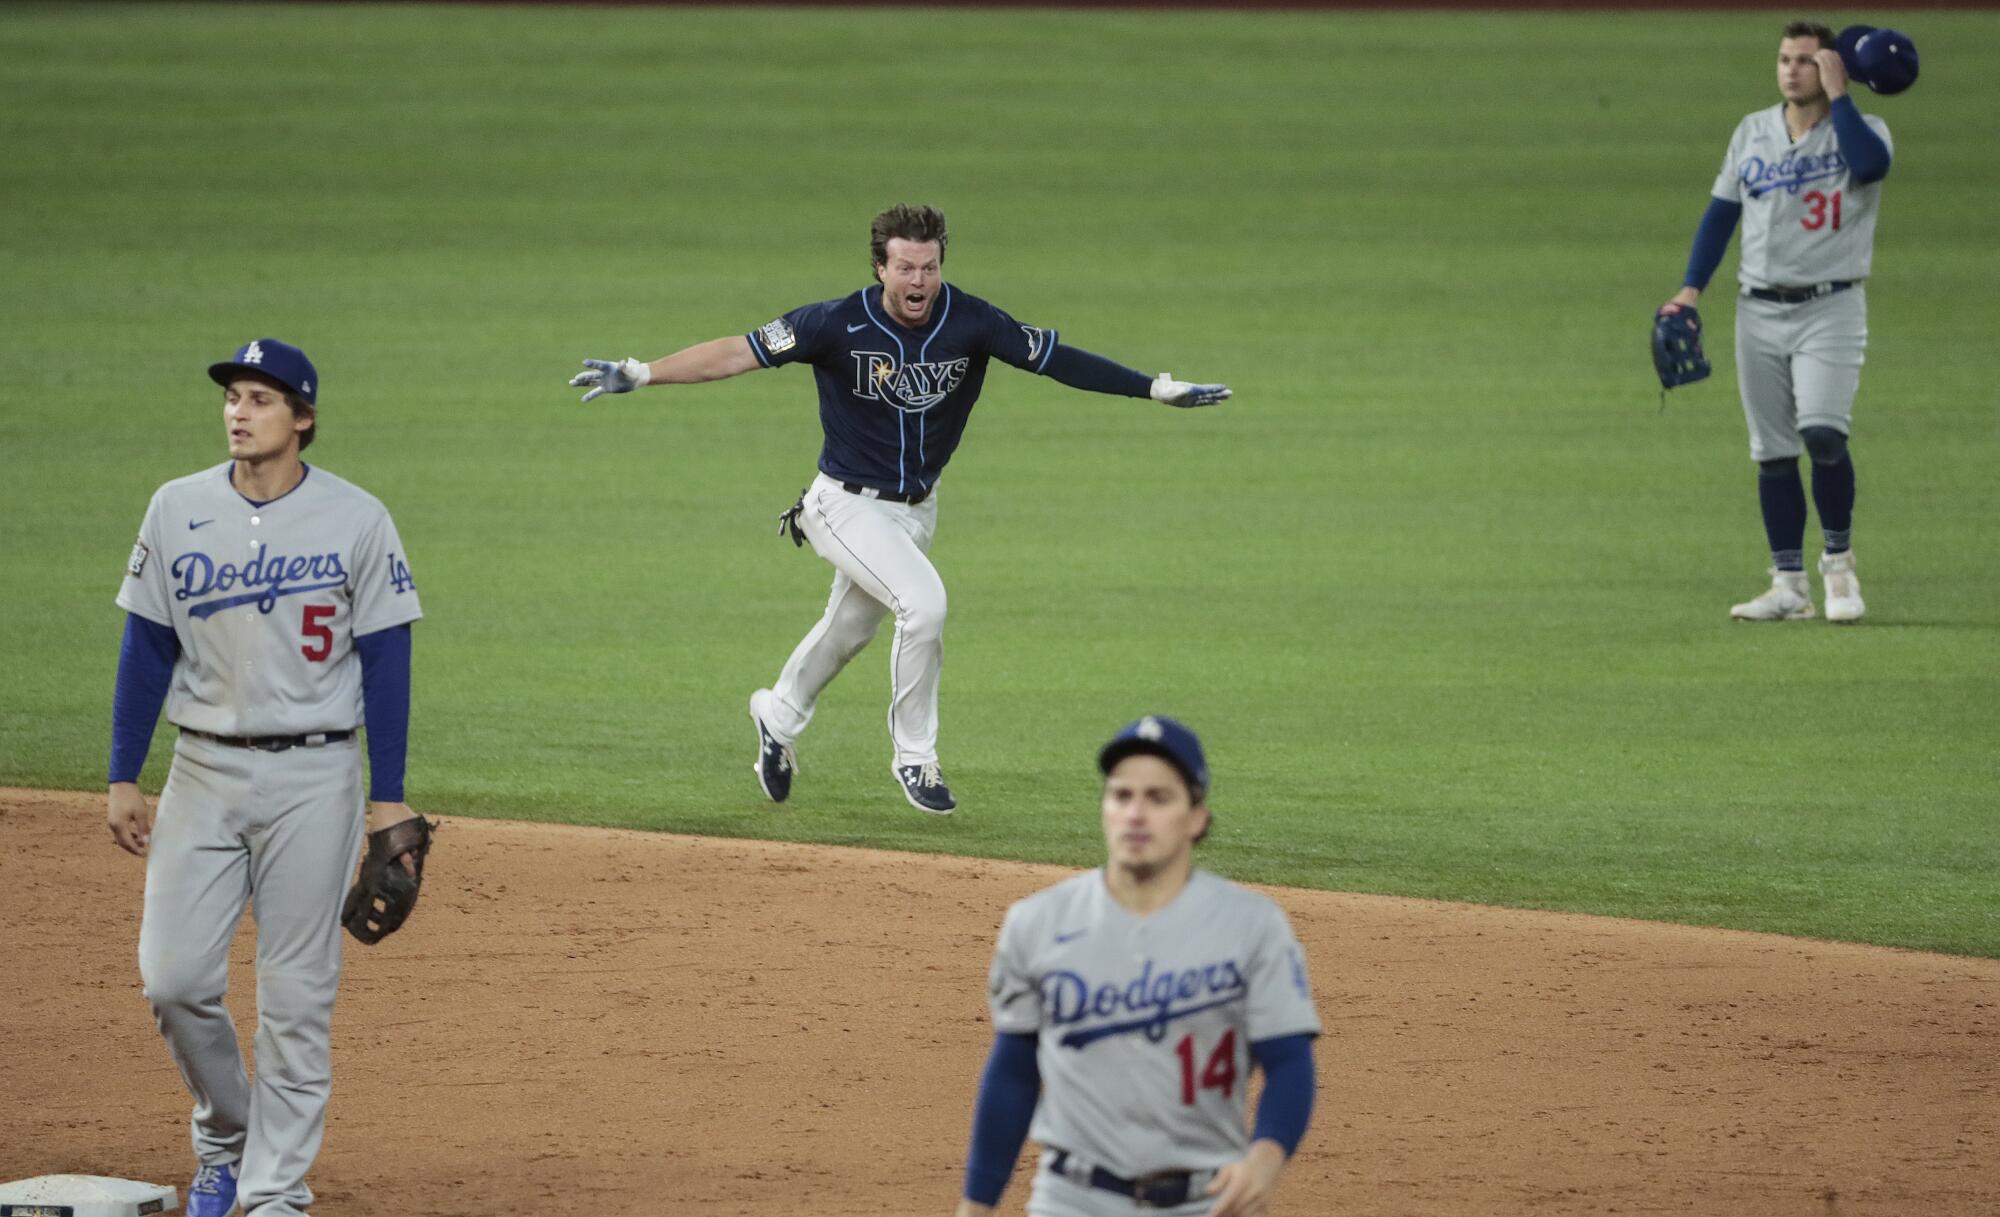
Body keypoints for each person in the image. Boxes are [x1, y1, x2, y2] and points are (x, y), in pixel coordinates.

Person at [570, 204, 1231, 814]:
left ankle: (777, 714)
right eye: (906, 266)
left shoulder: (971, 321)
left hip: (916, 510)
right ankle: (916, 759)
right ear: (881, 266)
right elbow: (736, 353)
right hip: (842, 506)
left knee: (849, 630)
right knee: (925, 603)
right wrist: (644, 371)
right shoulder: (832, 322)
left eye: (930, 265)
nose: (919, 279)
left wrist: (1153, 388)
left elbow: (1057, 359)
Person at [107, 339, 425, 1217]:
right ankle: (226, 1134)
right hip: (200, 768)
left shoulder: (358, 518)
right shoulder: (176, 507)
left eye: (260, 399)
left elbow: (387, 655)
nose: (238, 412)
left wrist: (386, 792)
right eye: (233, 398)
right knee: (172, 979)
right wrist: (122, 773)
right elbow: (146, 645)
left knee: (295, 995)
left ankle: (276, 1192)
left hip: (316, 775)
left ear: (303, 418)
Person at [953, 716, 1319, 1217]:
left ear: (1197, 818)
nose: (1135, 814)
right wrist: (976, 1206)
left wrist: (1265, 1157)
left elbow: (1289, 1060)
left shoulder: (1251, 926)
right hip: (1071, 1200)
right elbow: (1014, 1071)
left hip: (1206, 1203)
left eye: (1158, 798)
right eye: (1121, 796)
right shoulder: (1037, 923)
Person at [1663, 20, 1893, 623]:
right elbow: (1720, 215)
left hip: (1832, 307)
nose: (1791, 69)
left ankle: (1839, 568)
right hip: (1757, 308)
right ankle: (1787, 583)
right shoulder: (1752, 132)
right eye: (1785, 59)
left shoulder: (1865, 130)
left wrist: (1841, 96)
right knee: (1771, 452)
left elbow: (1869, 168)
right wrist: (1690, 291)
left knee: (1823, 433)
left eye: (1805, 61)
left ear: (1830, 68)